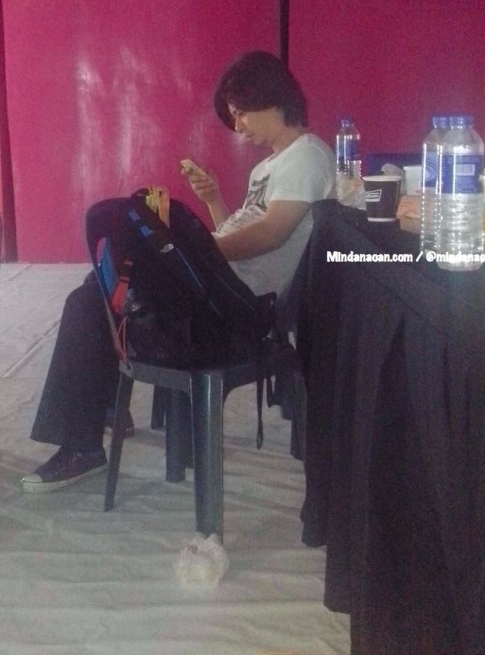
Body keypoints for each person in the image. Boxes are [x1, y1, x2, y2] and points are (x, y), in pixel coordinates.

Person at [20, 51, 335, 492]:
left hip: (238, 308)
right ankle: (100, 405)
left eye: (241, 113)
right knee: (107, 286)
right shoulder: (269, 167)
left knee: (95, 297)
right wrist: (212, 203)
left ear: (271, 98)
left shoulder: (307, 156)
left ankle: (84, 438)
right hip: (222, 290)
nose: (239, 127)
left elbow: (271, 234)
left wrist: (193, 250)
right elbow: (237, 233)